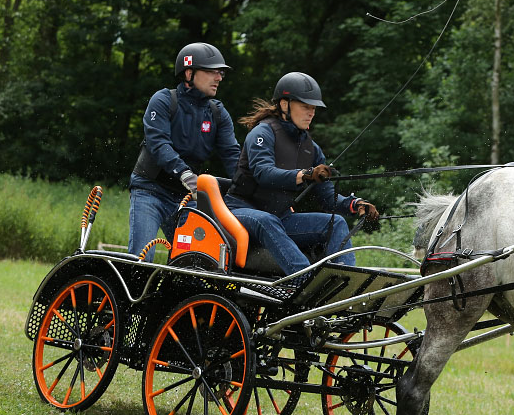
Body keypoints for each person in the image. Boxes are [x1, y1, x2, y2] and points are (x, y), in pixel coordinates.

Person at [224, 72, 378, 275]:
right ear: (285, 104)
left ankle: (343, 283)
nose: (311, 113)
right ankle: (304, 282)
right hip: (240, 211)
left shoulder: (311, 149)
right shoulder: (262, 133)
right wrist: (304, 174)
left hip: (281, 217)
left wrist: (354, 204)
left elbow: (327, 198)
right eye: (305, 106)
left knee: (336, 223)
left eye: (313, 108)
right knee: (266, 220)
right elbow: (263, 173)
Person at [127, 42, 240, 258]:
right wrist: (185, 174)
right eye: (212, 72)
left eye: (220, 73)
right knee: (143, 259)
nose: (219, 77)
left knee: (195, 260)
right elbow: (159, 144)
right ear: (189, 73)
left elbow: (233, 156)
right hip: (150, 190)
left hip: (185, 197)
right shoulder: (163, 100)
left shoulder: (218, 113)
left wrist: (249, 187)